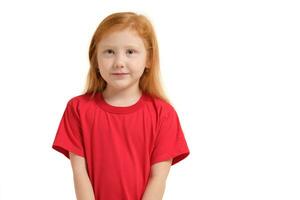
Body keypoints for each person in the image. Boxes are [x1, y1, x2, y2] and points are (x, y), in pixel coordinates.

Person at [52, 11, 190, 200]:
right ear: (96, 60)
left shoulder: (163, 114)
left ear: (149, 59)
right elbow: (79, 173)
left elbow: (158, 178)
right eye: (109, 52)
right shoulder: (77, 109)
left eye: (130, 52)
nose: (119, 62)